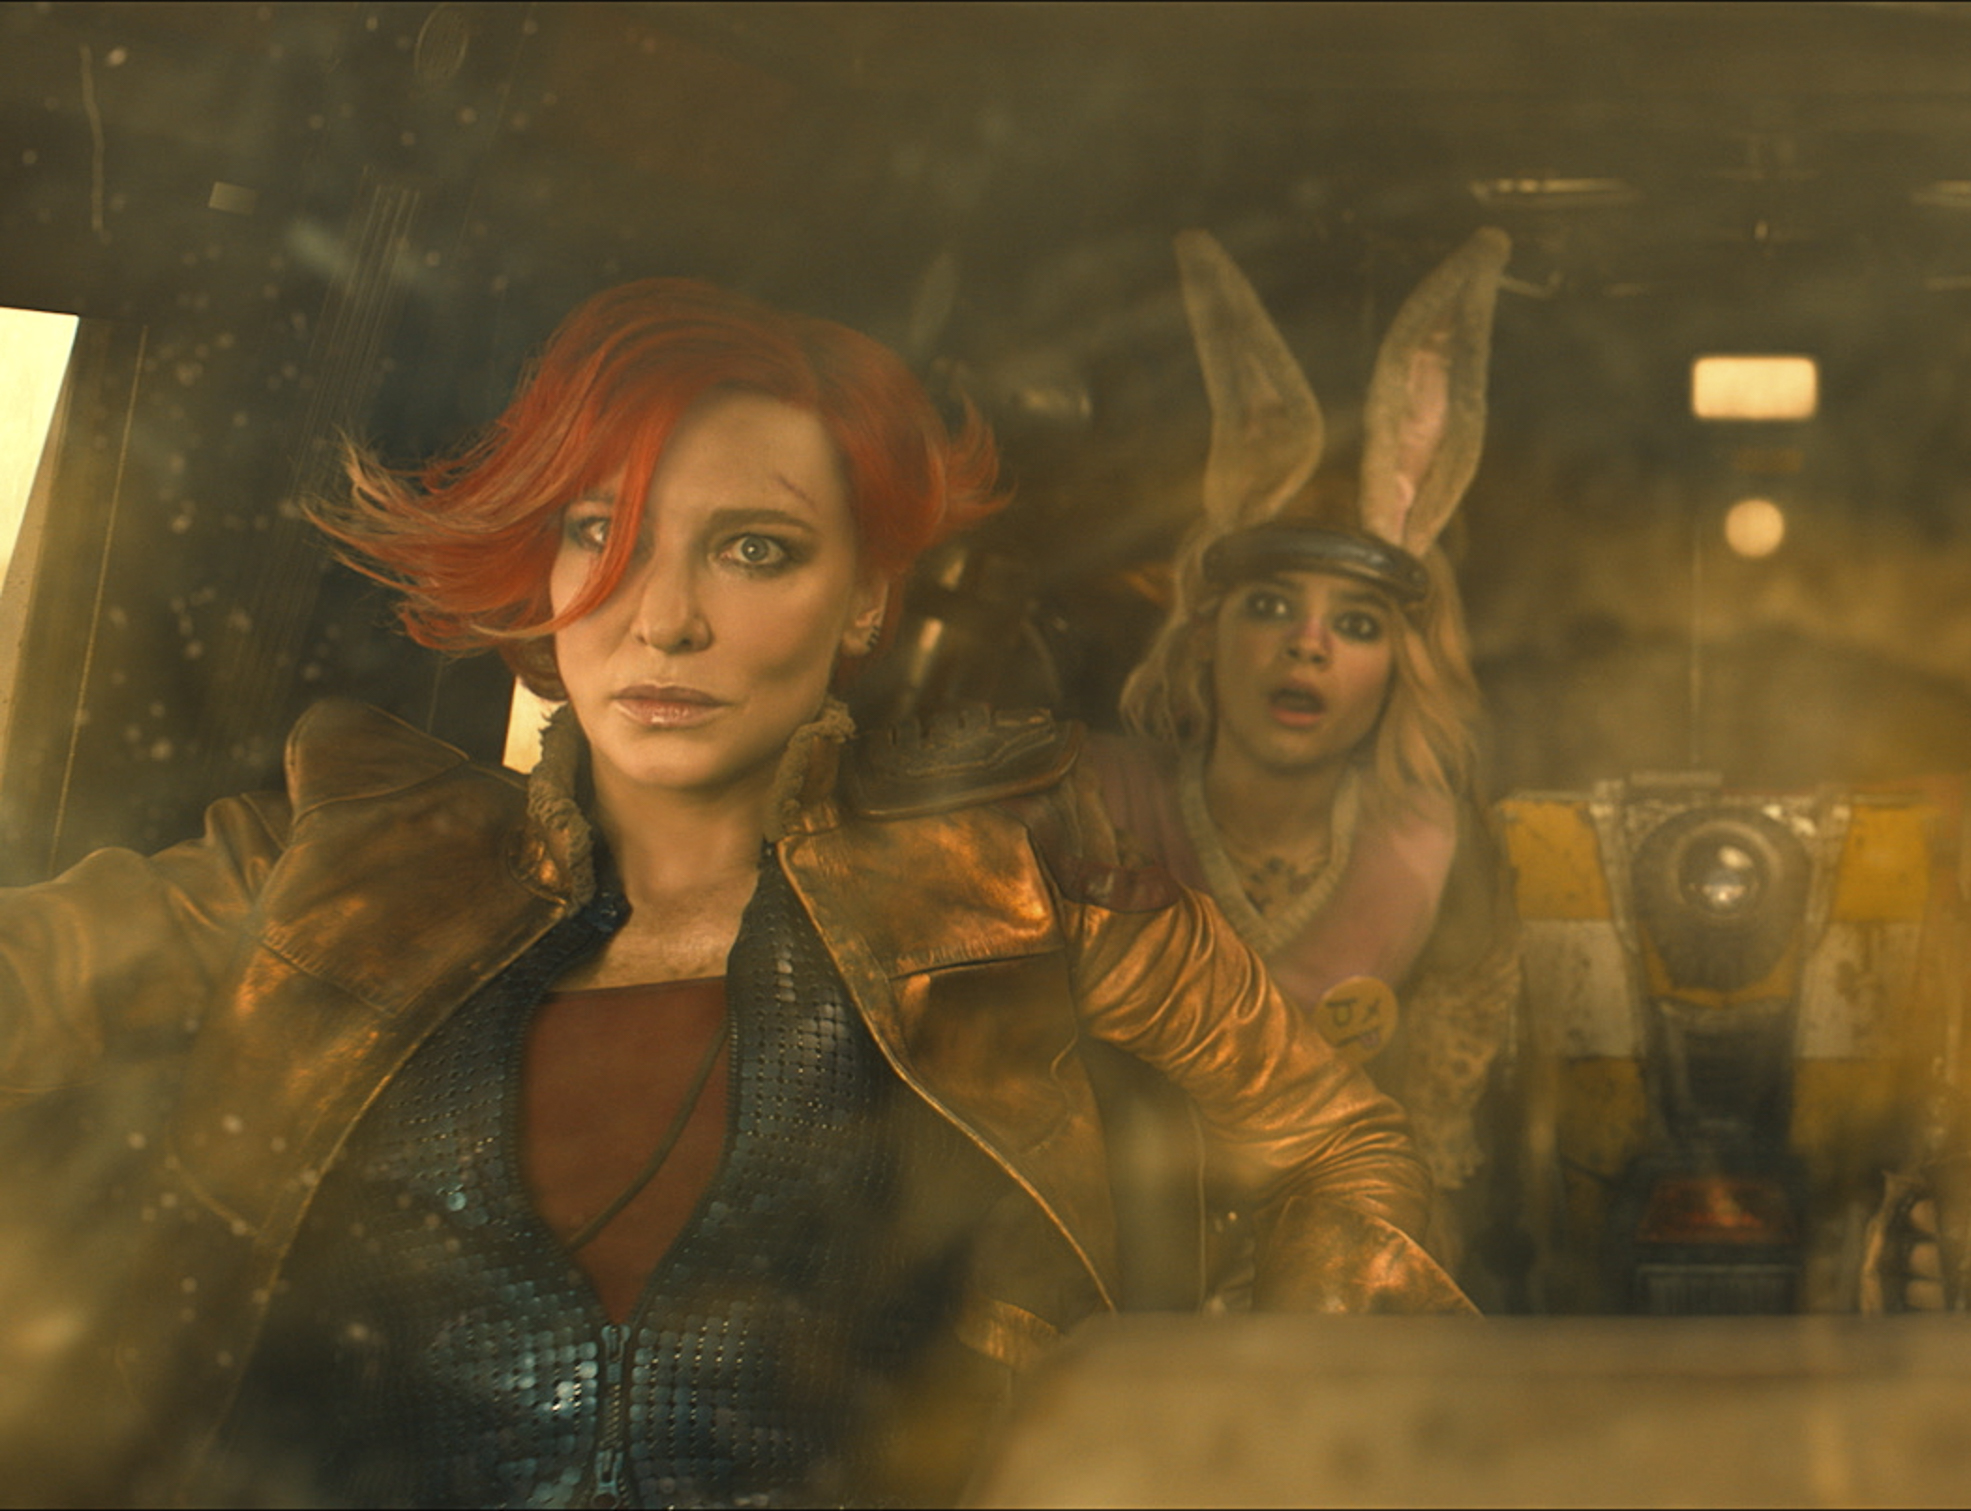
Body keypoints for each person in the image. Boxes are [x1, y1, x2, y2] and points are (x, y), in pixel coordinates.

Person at [0, 279, 1460, 1507]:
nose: (665, 615)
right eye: (601, 531)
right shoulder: (333, 860)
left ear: (865, 597)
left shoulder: (1023, 879)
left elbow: (1343, 1146)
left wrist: (1248, 1443)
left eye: (754, 548)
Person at [1092, 229, 1522, 1292]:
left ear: (1399, 666)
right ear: (1208, 632)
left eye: (1358, 624)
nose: (1309, 646)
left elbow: (1439, 1132)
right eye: (1272, 607)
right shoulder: (1103, 808)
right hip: (1117, 1272)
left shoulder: (1431, 849)